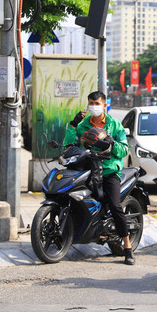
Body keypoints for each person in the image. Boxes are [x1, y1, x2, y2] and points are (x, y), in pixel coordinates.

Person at [64, 91, 134, 265]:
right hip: (88, 168)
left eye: (97, 103)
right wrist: (72, 126)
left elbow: (124, 150)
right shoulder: (83, 125)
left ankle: (127, 247)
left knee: (115, 205)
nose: (93, 106)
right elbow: (70, 145)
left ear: (104, 105)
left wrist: (112, 142)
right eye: (91, 103)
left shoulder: (114, 125)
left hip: (109, 171)